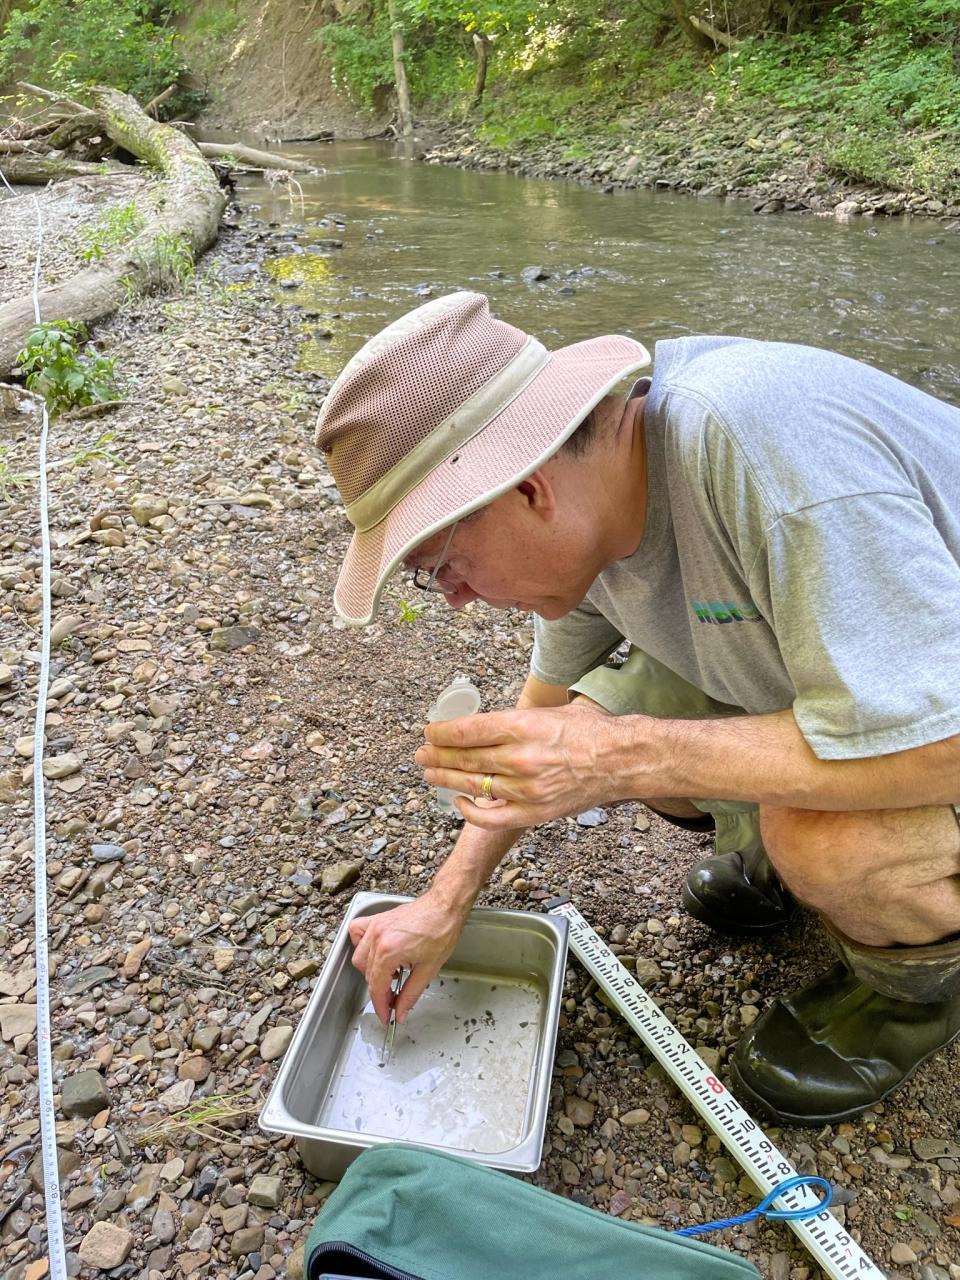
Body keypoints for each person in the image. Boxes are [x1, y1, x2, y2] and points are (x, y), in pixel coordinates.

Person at [313, 290, 960, 1126]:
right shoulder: (599, 511)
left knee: (814, 833)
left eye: (442, 564)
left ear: (530, 489)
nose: (458, 599)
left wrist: (625, 757)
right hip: (895, 680)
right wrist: (446, 901)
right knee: (604, 716)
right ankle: (790, 867)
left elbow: (944, 741)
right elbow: (538, 726)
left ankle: (911, 991)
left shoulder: (764, 457)